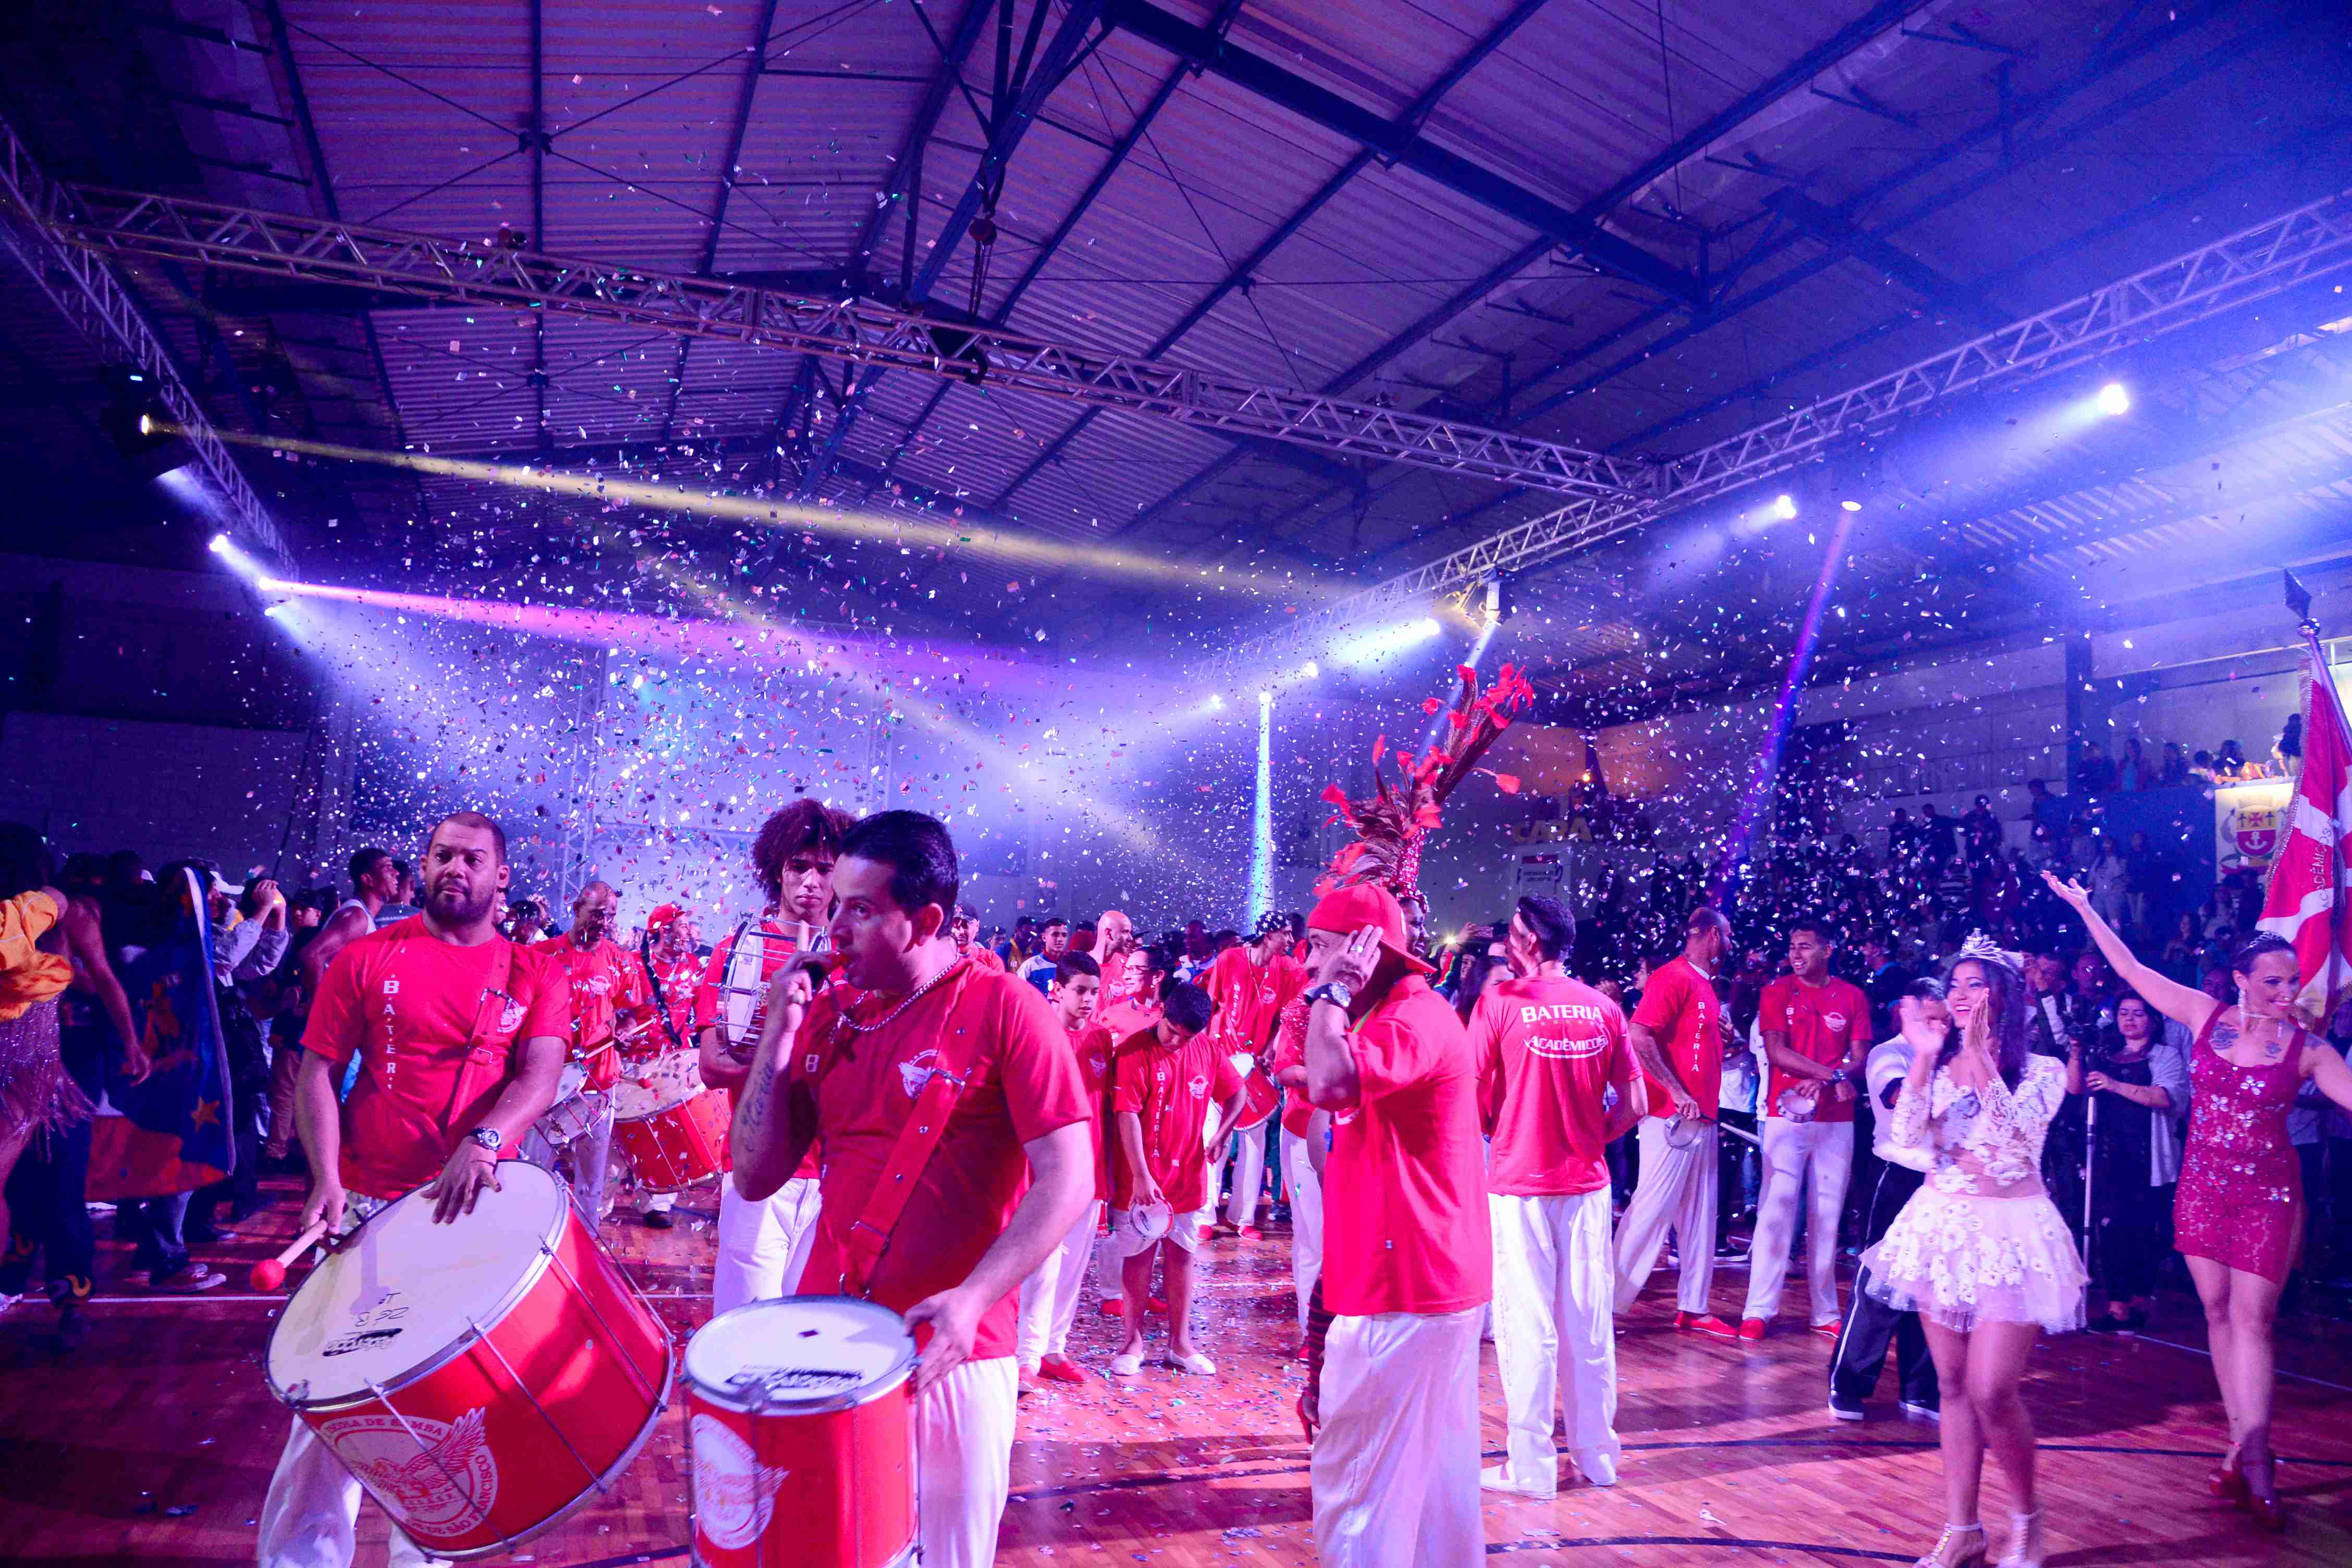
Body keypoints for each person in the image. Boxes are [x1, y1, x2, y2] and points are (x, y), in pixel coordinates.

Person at [728, 810, 1094, 1568]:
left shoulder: (1008, 1010)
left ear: (927, 920)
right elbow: (755, 1175)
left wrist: (974, 1299)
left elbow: (1070, 1178)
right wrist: (776, 1038)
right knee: (828, 1548)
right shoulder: (832, 1018)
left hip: (956, 1348)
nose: (837, 929)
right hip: (830, 1337)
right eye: (837, 906)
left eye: (861, 910)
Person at [259, 811, 570, 1568]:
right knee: (330, 1406)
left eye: (471, 858)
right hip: (366, 1209)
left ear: (501, 877)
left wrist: (486, 1140)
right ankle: (300, 1559)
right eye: (439, 856)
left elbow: (541, 1073)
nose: (452, 868)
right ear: (423, 867)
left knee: (446, 1406)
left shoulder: (535, 972)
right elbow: (319, 1074)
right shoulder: (364, 958)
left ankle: (423, 1559)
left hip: (470, 1215)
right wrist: (326, 1178)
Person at [2044, 874, 2352, 1530]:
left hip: (2269, 1191)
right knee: (2216, 1313)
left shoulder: (2309, 1048)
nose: (2287, 990)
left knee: (2254, 1319)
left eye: (2292, 980)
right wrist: (2085, 907)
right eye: (2273, 981)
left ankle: (2261, 1456)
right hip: (2202, 1186)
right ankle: (2239, 1443)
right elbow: (2128, 966)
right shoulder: (2201, 1013)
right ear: (2240, 979)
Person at [1861, 937, 2084, 1568]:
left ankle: (2028, 1518)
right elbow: (1903, 1141)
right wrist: (1929, 1062)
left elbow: (2016, 1139)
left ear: (2005, 998)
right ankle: (1963, 1528)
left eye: (1975, 984)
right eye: (1954, 983)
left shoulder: (2041, 1070)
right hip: (1942, 1227)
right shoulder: (1937, 1060)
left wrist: (1980, 1058)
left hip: (2012, 1232)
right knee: (1953, 1385)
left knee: (1992, 1388)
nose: (1958, 995)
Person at [1299, 883, 1490, 1568]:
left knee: (1359, 1493)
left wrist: (1332, 994)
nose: (1306, 964)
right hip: (1428, 1281)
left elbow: (1334, 1086)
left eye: (1319, 949)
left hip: (1405, 1287)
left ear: (1362, 953)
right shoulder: (1405, 1014)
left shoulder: (1410, 1018)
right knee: (1438, 1493)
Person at [1473, 896, 1642, 1497]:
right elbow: (1637, 1104)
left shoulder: (1500, 1002)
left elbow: (1469, 1093)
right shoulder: (1604, 1007)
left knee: (1528, 1324)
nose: (1504, 943)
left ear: (1530, 942)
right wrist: (1592, 1136)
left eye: (1510, 933)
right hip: (1587, 1184)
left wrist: (1499, 1132)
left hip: (1520, 1182)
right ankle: (1598, 1457)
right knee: (1588, 1323)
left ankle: (1532, 1467)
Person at [696, 798, 854, 1313]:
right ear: (777, 870)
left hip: (839, 1173)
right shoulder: (740, 950)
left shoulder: (857, 957)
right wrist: (786, 1066)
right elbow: (712, 1063)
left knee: (808, 1331)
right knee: (745, 1323)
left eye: (824, 868)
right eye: (798, 865)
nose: (810, 879)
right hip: (758, 1165)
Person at [0, 843, 145, 1345]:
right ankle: (12, 1280)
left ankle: (71, 1302)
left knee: (62, 1182)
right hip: (18, 1064)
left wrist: (131, 1042)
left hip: (50, 1069)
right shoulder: (18, 914)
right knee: (17, 1184)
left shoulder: (71, 914)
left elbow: (104, 979)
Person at [1742, 917, 1871, 1339]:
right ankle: (1759, 1309)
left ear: (1827, 950)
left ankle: (1825, 1311)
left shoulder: (1852, 996)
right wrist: (1832, 1076)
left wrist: (1831, 1078)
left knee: (1828, 1214)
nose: (1797, 954)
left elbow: (1860, 1058)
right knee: (1775, 1213)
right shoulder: (1776, 992)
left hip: (1836, 1120)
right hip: (1785, 1116)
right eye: (1793, 946)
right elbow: (1778, 1052)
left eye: (1806, 947)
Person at [1106, 981, 1242, 1377]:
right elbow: (1126, 1116)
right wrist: (1141, 1176)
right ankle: (1132, 1341)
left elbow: (1237, 1093)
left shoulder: (1207, 1049)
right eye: (1172, 1032)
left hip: (1188, 1177)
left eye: (1187, 1038)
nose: (1177, 1043)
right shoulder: (1132, 1052)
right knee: (1138, 1257)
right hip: (1141, 1181)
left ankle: (1180, 1344)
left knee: (1182, 1257)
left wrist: (1222, 1134)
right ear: (1162, 1011)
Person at [1614, 906, 1738, 1337]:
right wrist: (1677, 1091)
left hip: (1701, 1115)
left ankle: (1694, 1306)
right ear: (1712, 937)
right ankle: (1607, 1303)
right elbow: (1639, 1034)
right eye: (1727, 935)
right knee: (1651, 1208)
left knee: (1700, 1214)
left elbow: (1693, 1045)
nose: (1731, 943)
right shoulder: (1673, 976)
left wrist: (1726, 1042)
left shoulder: (1705, 985)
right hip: (1672, 1117)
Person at [1828, 978, 1947, 1423]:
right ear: (1906, 1012)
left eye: (1942, 1017)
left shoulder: (1953, 1055)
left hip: (1943, 1180)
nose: (1937, 1025)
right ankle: (1849, 1383)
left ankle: (1919, 1387)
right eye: (1928, 1017)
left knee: (1934, 1287)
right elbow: (1900, 1099)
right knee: (1881, 1284)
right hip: (1897, 1175)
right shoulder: (1888, 1054)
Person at [529, 880, 653, 1223]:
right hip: (546, 1082)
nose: (604, 921)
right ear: (576, 909)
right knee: (533, 1165)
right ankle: (528, 1232)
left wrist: (626, 1030)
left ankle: (587, 1238)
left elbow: (639, 1012)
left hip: (599, 1081)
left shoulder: (620, 961)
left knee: (591, 1178)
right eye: (597, 913)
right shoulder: (543, 956)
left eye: (610, 915)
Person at [2067, 991, 2190, 1331]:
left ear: (2152, 1020)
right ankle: (2117, 1307)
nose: (2130, 1020)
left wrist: (2114, 1084)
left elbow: (2164, 1097)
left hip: (2149, 1158)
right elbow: (2076, 1089)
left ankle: (2140, 1302)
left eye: (2138, 1013)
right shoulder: (2106, 1055)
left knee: (2143, 1232)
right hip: (2109, 1155)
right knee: (2112, 1230)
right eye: (2124, 1013)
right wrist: (2077, 1055)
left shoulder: (2166, 1056)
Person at [1016, 951, 1105, 1390]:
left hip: (1089, 1170)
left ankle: (1054, 1348)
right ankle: (1024, 1356)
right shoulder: (1036, 1032)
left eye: (1094, 992)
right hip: (1045, 1172)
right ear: (1058, 989)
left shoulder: (1102, 1041)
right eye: (1080, 991)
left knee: (1072, 1269)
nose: (1088, 1000)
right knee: (1042, 1264)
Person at [1199, 912, 1308, 1238]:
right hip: (1221, 1059)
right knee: (1214, 1137)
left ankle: (1242, 1219)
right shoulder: (1230, 959)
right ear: (1268, 935)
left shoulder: (1287, 970)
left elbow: (1285, 1018)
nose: (1291, 941)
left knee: (1254, 1142)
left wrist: (1271, 1049)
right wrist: (1203, 1053)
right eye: (1285, 934)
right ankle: (1206, 1215)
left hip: (1256, 1066)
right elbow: (1211, 1005)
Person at [633, 902, 703, 1228]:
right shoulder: (634, 965)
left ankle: (658, 1204)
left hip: (673, 1062)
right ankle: (599, 1206)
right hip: (632, 1063)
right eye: (683, 925)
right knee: (627, 1135)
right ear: (663, 930)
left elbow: (703, 1010)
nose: (689, 931)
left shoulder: (692, 966)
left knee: (667, 1134)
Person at [1015, 917, 1070, 994]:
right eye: (1055, 935)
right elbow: (1018, 997)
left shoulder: (1073, 966)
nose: (1060, 939)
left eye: (1064, 935)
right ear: (1044, 938)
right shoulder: (1029, 967)